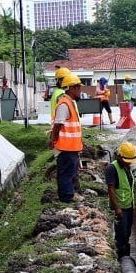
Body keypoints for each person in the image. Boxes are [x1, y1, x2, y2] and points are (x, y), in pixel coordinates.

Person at [49, 73, 83, 203]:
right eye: (78, 87)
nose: (80, 90)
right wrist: (53, 140)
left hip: (71, 146)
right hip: (65, 147)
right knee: (66, 173)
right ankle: (66, 198)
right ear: (71, 88)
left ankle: (68, 195)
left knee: (70, 172)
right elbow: (58, 124)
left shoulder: (70, 103)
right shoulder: (64, 104)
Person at [107, 142, 136, 259]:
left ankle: (126, 255)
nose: (128, 163)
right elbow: (111, 189)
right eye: (126, 160)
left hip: (129, 206)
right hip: (120, 208)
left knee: (127, 232)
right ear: (120, 156)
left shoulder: (127, 167)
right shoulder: (112, 168)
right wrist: (117, 208)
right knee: (121, 234)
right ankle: (121, 258)